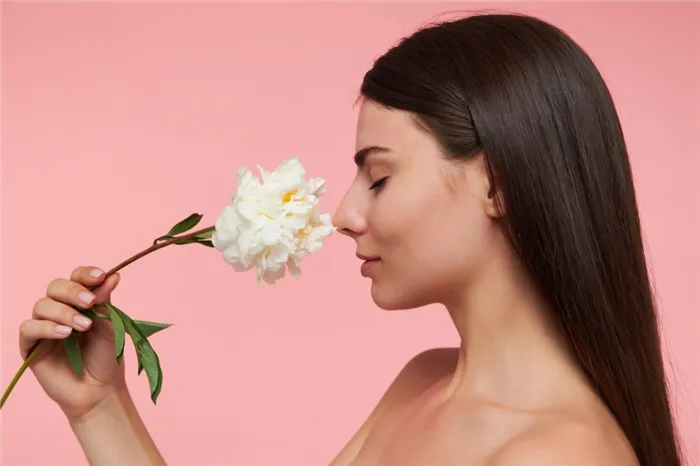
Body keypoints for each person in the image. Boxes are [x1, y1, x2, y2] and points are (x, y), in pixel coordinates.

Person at [18, 12, 684, 466]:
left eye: (380, 176)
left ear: (497, 183)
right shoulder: (422, 383)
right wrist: (100, 402)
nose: (342, 213)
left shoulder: (558, 455)